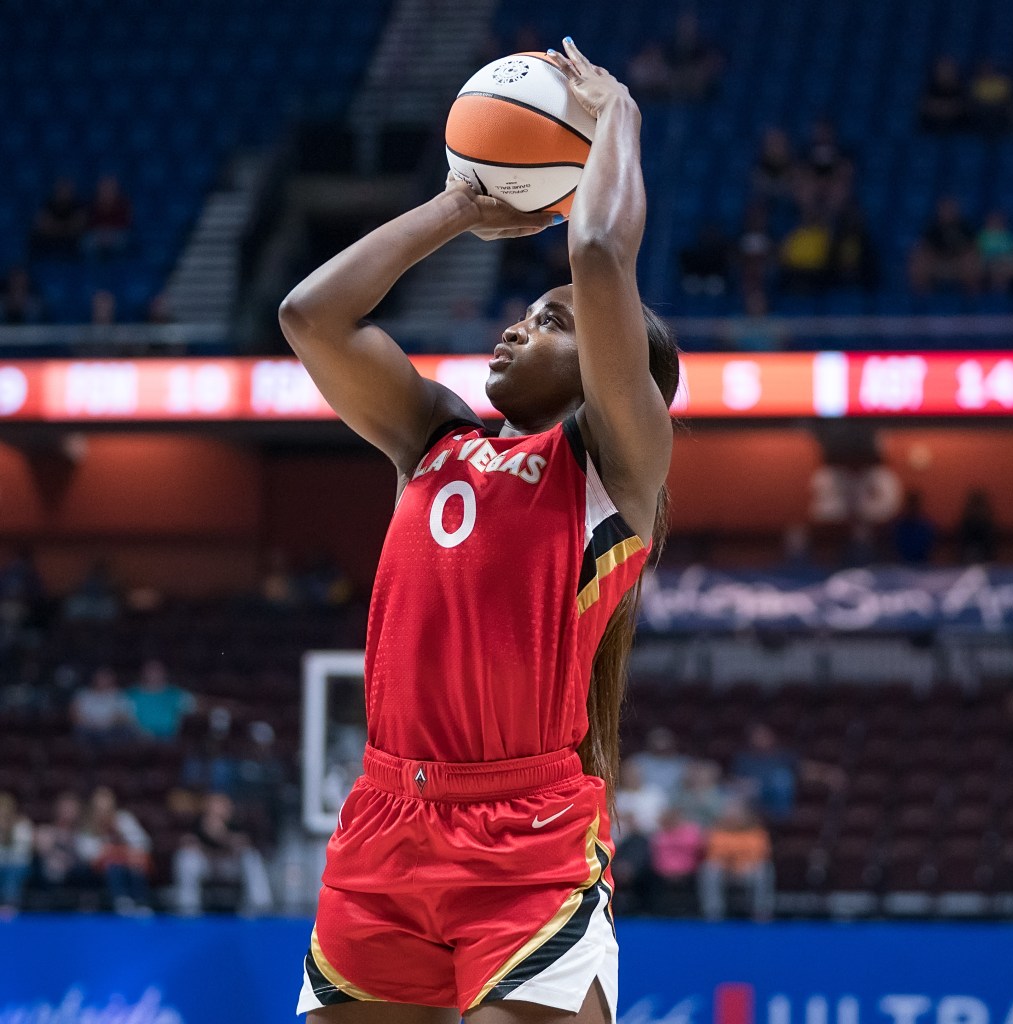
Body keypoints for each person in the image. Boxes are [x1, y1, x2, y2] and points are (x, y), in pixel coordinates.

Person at [278, 37, 677, 1024]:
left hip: (526, 837)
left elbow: (593, 252)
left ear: (612, 372)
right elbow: (310, 316)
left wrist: (614, 116)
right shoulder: (434, 437)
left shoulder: (611, 471)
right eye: (525, 313)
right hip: (382, 821)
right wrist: (460, 206)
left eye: (552, 323)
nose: (516, 327)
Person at [172, 792, 273, 916]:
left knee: (251, 857)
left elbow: (244, 843)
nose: (218, 810)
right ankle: (188, 911)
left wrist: (221, 836)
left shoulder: (236, 824)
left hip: (229, 865)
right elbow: (188, 841)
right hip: (206, 865)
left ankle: (260, 907)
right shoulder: (197, 823)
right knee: (187, 858)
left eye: (222, 806)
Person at [78, 786, 152, 915]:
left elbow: (144, 843)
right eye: (99, 810)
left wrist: (120, 834)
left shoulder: (124, 819)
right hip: (99, 871)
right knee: (114, 865)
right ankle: (122, 902)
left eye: (107, 809)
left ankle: (141, 903)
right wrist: (111, 850)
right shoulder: (86, 828)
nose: (103, 814)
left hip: (129, 865)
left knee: (136, 864)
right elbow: (89, 856)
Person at [696, 799, 773, 921]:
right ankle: (713, 912)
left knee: (763, 869)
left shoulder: (756, 834)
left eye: (737, 815)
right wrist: (730, 865)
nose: (734, 817)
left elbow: (759, 855)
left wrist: (742, 866)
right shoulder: (718, 833)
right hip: (725, 870)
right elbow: (715, 855)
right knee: (709, 869)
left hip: (748, 870)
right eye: (730, 815)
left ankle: (761, 911)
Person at [908, 196, 982, 294]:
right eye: (945, 209)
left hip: (959, 263)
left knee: (971, 261)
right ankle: (922, 302)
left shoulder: (965, 228)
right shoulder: (933, 228)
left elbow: (972, 248)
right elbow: (925, 247)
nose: (948, 212)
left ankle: (972, 302)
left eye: (950, 209)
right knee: (920, 262)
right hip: (937, 262)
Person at [124, 658, 197, 740]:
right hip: (138, 740)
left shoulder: (175, 693)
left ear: (164, 673)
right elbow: (122, 716)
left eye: (157, 671)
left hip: (169, 739)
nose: (154, 674)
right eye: (150, 671)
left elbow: (195, 705)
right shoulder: (132, 694)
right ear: (143, 673)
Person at [70, 665, 138, 747]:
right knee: (80, 732)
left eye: (106, 677)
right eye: (101, 677)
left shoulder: (119, 695)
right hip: (89, 729)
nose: (103, 680)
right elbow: (74, 715)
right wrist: (92, 725)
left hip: (111, 730)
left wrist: (107, 724)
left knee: (126, 731)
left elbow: (125, 716)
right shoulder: (83, 694)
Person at [30, 178, 87, 258]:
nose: (64, 192)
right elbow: (42, 222)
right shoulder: (49, 204)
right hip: (51, 238)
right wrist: (65, 227)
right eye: (61, 189)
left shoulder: (78, 205)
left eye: (66, 189)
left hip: (71, 239)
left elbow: (78, 224)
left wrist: (55, 226)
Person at [0, 793, 33, 917]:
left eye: (5, 812)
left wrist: (8, 836)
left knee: (12, 871)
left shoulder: (22, 826)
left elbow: (22, 855)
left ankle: (10, 906)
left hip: (19, 867)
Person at [919, 56, 967, 132]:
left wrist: (941, 107)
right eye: (943, 70)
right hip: (932, 128)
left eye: (948, 70)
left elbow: (962, 106)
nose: (946, 73)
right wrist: (947, 108)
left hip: (957, 129)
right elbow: (926, 105)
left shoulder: (960, 88)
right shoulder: (931, 87)